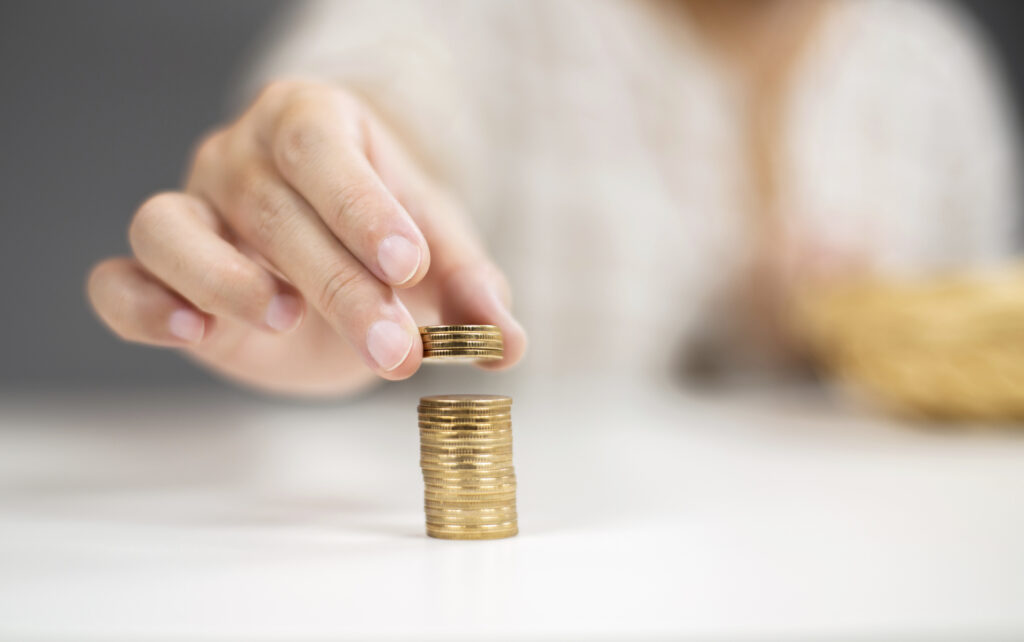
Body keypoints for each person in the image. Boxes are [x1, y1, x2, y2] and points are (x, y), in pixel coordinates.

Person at [87, 0, 1019, 396]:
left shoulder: (935, 73)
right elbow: (374, 87)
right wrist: (318, 191)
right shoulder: (487, 19)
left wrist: (831, 336)